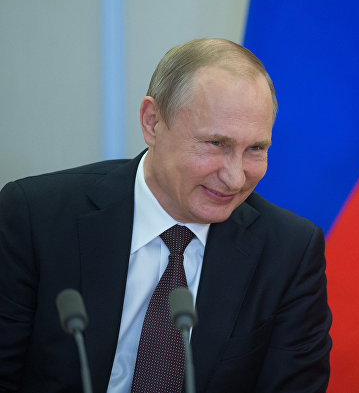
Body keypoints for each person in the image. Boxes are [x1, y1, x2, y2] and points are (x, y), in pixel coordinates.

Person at [0, 38, 332, 392]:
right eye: (216, 144)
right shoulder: (36, 218)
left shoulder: (288, 252)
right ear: (152, 122)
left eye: (255, 149)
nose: (235, 178)